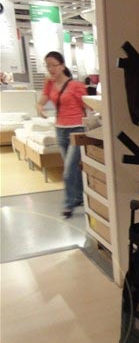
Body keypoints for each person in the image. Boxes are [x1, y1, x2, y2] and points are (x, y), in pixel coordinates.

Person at [37, 51, 88, 218]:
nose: (51, 69)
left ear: (62, 65)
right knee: (72, 167)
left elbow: (87, 105)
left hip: (77, 129)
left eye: (54, 65)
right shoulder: (49, 84)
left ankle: (68, 205)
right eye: (48, 65)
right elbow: (42, 101)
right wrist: (40, 108)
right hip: (59, 129)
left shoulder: (76, 85)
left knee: (68, 170)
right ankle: (79, 197)